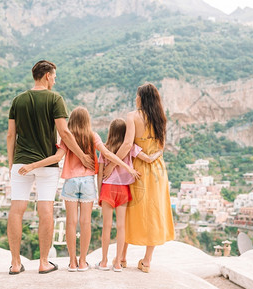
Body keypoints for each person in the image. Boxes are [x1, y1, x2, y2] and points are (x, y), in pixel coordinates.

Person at [18, 107, 140, 272]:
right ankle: (83, 262)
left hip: (71, 183)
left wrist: (32, 165)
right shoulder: (93, 136)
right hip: (88, 182)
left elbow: (56, 158)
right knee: (85, 223)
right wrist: (127, 167)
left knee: (71, 223)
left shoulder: (67, 138)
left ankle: (73, 262)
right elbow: (107, 154)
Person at [7, 60, 94, 275]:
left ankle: (16, 263)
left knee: (17, 209)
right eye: (54, 76)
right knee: (45, 209)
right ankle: (44, 262)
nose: (55, 80)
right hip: (48, 163)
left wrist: (12, 163)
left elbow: (11, 135)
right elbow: (64, 133)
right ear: (47, 76)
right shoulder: (55, 99)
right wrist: (83, 156)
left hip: (21, 162)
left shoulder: (18, 100)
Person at [102, 83, 175, 273]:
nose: (135, 98)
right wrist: (150, 157)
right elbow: (161, 147)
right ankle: (147, 261)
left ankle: (122, 257)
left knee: (130, 212)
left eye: (137, 95)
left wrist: (112, 164)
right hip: (157, 170)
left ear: (141, 98)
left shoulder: (132, 116)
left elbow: (127, 145)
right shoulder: (160, 117)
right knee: (153, 212)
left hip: (137, 170)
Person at [96, 118, 162, 272]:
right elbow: (149, 159)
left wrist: (99, 193)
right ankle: (118, 263)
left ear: (110, 132)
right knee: (121, 227)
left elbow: (99, 174)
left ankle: (104, 261)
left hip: (107, 189)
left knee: (106, 226)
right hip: (123, 190)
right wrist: (159, 151)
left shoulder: (105, 149)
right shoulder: (131, 147)